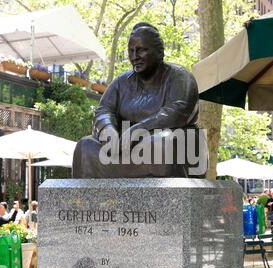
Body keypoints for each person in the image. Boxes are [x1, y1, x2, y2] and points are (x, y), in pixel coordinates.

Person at [72, 22, 207, 178]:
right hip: (124, 149)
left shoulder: (180, 77)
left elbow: (178, 111)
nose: (134, 57)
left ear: (159, 52)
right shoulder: (121, 82)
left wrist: (137, 131)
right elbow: (104, 110)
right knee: (85, 146)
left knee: (159, 144)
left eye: (141, 50)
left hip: (175, 146)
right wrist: (107, 129)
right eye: (131, 51)